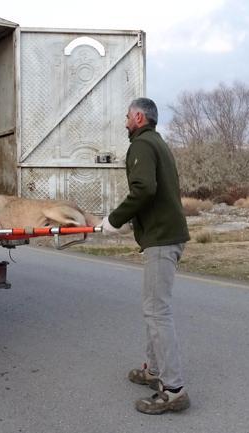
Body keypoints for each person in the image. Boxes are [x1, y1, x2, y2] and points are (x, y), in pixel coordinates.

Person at [100, 97, 191, 414]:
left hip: (162, 239)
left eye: (127, 117)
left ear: (139, 117)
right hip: (166, 234)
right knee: (154, 309)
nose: (125, 122)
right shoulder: (157, 142)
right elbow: (155, 191)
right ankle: (154, 370)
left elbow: (144, 189)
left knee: (157, 312)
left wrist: (114, 220)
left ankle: (174, 389)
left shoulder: (140, 145)